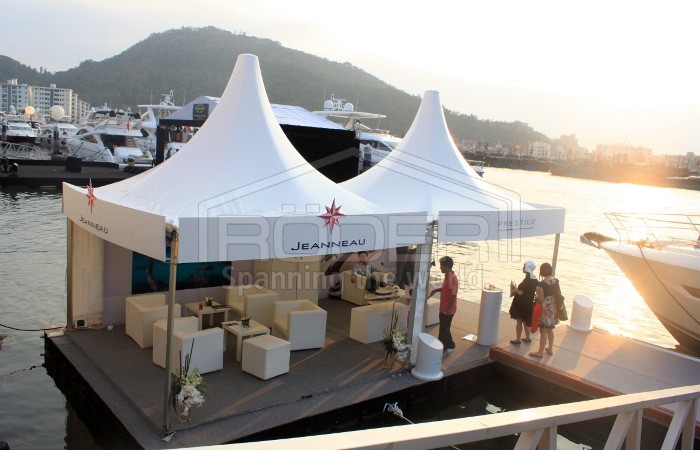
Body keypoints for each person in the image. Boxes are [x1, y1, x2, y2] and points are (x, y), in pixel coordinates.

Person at [529, 262, 560, 358]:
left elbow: (541, 298)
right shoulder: (555, 281)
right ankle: (550, 348)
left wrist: (538, 291)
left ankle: (540, 352)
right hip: (552, 306)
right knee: (550, 329)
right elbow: (557, 293)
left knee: (543, 331)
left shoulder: (541, 284)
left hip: (545, 307)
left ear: (541, 272)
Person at [429, 256, 458, 354]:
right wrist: (436, 290)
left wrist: (449, 309)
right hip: (443, 307)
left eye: (441, 266)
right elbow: (445, 289)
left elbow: (453, 295)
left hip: (448, 309)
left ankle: (451, 345)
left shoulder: (452, 279)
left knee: (445, 329)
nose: (440, 267)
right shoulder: (447, 276)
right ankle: (441, 344)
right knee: (442, 327)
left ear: (446, 266)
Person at [508, 260, 538, 345]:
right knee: (525, 322)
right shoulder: (534, 279)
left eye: (524, 266)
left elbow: (521, 292)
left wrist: (514, 289)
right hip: (529, 303)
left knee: (519, 322)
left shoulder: (527, 279)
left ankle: (518, 339)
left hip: (521, 304)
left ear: (527, 268)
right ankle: (528, 338)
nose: (523, 267)